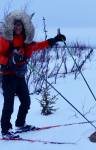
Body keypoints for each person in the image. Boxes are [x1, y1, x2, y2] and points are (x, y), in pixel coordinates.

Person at [0, 10, 66, 138]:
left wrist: (54, 40)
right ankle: (5, 130)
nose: (17, 27)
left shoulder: (26, 40)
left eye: (20, 25)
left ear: (23, 27)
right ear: (11, 26)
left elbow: (38, 46)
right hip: (8, 75)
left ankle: (20, 124)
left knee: (26, 101)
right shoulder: (5, 40)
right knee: (9, 103)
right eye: (15, 25)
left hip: (19, 75)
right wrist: (8, 60)